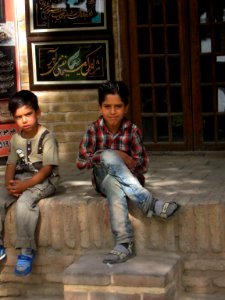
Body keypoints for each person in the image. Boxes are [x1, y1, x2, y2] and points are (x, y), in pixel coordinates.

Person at [76, 80, 180, 264]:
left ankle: (124, 244)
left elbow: (143, 164)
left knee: (114, 184)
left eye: (118, 106)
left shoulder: (132, 131)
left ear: (126, 107)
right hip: (101, 178)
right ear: (100, 107)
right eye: (107, 106)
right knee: (107, 157)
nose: (112, 111)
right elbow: (81, 161)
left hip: (126, 180)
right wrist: (109, 155)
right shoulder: (93, 130)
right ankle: (150, 203)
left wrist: (125, 160)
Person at [0, 90, 59, 276]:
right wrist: (10, 184)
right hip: (23, 179)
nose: (24, 120)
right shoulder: (16, 139)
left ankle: (26, 251)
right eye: (19, 117)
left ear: (38, 112)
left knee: (25, 202)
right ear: (14, 119)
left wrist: (24, 187)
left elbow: (47, 169)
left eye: (28, 114)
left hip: (45, 181)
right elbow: (11, 165)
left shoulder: (47, 137)